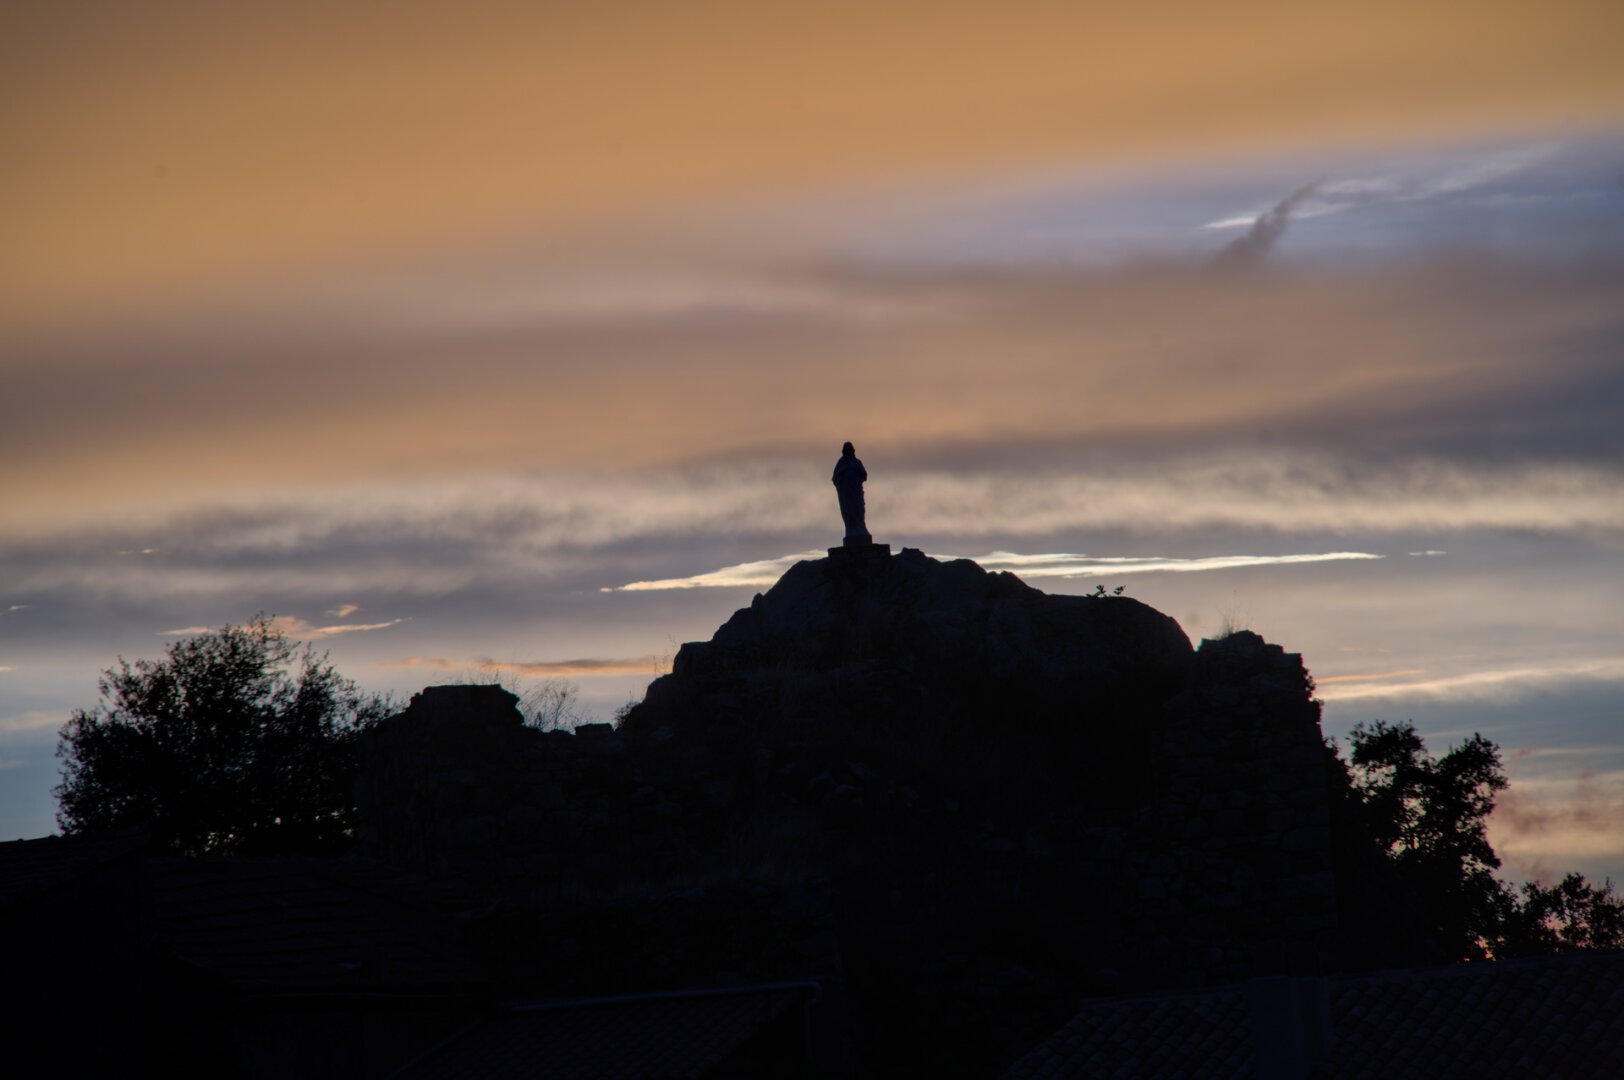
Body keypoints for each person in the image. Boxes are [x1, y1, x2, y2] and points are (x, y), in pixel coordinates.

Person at [832, 441, 872, 546]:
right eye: (847, 450)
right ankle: (852, 530)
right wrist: (842, 476)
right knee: (849, 511)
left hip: (856, 491)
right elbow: (835, 478)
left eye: (851, 450)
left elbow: (864, 475)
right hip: (847, 492)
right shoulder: (841, 463)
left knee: (859, 510)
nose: (849, 452)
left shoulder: (857, 462)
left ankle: (861, 529)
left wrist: (857, 473)